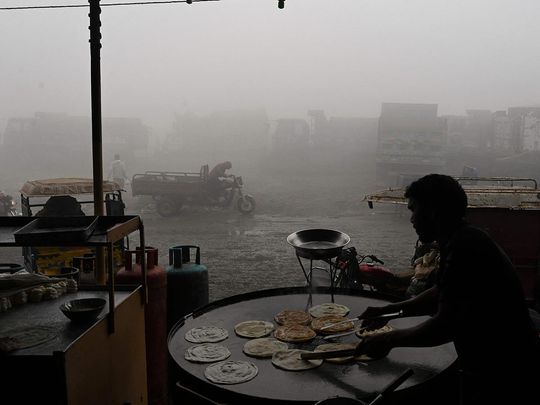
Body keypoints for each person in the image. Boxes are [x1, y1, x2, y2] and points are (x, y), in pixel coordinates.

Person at [355, 174, 540, 404]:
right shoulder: (459, 239)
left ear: (434, 211)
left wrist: (389, 339)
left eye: (414, 210)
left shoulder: (466, 246)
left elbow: (446, 325)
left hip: (505, 369)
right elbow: (441, 292)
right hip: (492, 360)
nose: (411, 219)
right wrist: (390, 311)